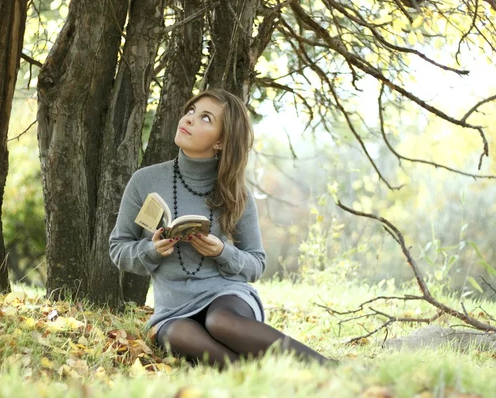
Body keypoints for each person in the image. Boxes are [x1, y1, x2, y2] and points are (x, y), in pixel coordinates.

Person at [109, 89, 336, 368]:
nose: (189, 119)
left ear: (220, 141)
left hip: (226, 298)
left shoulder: (235, 192)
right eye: (191, 111)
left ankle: (328, 367)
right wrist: (151, 250)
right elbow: (118, 248)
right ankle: (257, 379)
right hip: (172, 309)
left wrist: (222, 252)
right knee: (177, 334)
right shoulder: (145, 181)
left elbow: (256, 265)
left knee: (220, 322)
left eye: (205, 118)